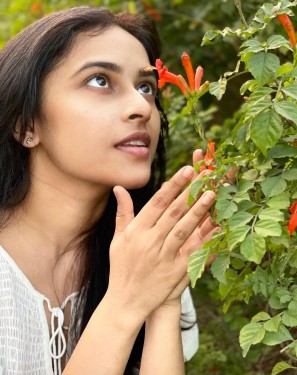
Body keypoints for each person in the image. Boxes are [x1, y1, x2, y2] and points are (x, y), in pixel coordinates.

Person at [0, 6, 217, 375]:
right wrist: (127, 302)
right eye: (100, 80)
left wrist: (164, 297)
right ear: (26, 124)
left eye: (146, 87)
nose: (141, 108)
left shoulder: (146, 256)